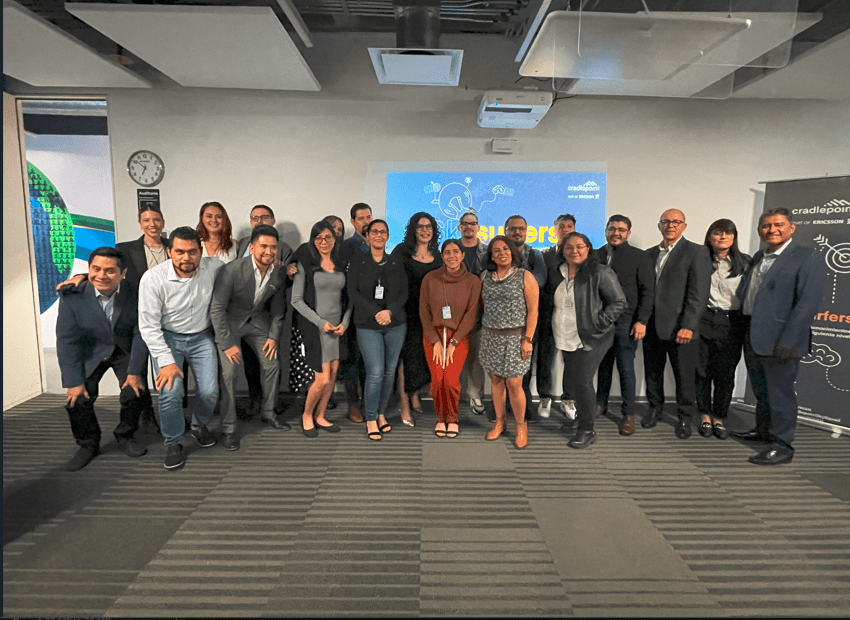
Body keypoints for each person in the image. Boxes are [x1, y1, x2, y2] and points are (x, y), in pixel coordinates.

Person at [734, 208, 827, 465]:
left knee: (780, 394)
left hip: (782, 340)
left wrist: (789, 341)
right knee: (761, 390)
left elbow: (808, 303)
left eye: (778, 224)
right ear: (759, 230)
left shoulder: (806, 256)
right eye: (766, 226)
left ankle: (782, 445)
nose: (772, 230)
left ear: (791, 227)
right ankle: (764, 431)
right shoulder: (759, 256)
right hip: (754, 335)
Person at [138, 227, 225, 470]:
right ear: (169, 252)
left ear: (201, 251)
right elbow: (148, 326)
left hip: (201, 337)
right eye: (179, 252)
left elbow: (240, 274)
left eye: (192, 251)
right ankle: (173, 441)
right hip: (167, 338)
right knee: (171, 392)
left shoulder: (215, 268)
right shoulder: (152, 278)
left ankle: (198, 426)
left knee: (210, 391)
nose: (186, 257)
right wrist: (165, 361)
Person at [56, 247, 150, 471]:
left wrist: (134, 371)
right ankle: (88, 444)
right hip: (91, 352)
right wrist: (73, 382)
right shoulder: (72, 295)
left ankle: (125, 435)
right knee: (77, 399)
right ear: (88, 269)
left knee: (134, 390)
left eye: (109, 271)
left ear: (122, 273)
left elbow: (140, 332)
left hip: (123, 349)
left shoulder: (136, 292)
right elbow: (66, 340)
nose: (101, 275)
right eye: (96, 269)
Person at [540, 233, 627, 448]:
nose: (574, 251)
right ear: (562, 250)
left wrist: (599, 323)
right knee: (574, 380)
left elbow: (618, 302)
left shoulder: (600, 272)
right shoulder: (557, 272)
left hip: (592, 337)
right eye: (569, 247)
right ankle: (581, 419)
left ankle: (588, 429)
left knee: (583, 382)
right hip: (564, 334)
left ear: (588, 248)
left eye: (580, 246)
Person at [209, 225, 290, 451]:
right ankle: (228, 428)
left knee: (272, 364)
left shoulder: (279, 271)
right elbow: (217, 309)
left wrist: (273, 336)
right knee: (230, 373)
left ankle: (269, 412)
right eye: (263, 246)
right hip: (230, 323)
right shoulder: (231, 270)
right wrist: (227, 344)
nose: (268, 251)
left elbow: (278, 309)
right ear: (252, 247)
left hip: (256, 322)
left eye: (273, 247)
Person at [641, 209, 712, 439]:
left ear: (684, 226)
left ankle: (684, 417)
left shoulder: (696, 252)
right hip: (651, 326)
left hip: (681, 328)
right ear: (659, 226)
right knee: (653, 372)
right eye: (665, 221)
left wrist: (688, 325)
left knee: (684, 376)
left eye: (675, 221)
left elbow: (698, 294)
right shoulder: (649, 254)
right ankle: (655, 409)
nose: (670, 225)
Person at [593, 215, 655, 436]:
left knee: (626, 369)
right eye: (612, 229)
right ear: (606, 230)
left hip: (626, 323)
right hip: (600, 322)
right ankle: (600, 404)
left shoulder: (640, 257)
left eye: (621, 230)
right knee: (603, 366)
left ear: (628, 233)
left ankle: (628, 414)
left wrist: (642, 321)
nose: (616, 233)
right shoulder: (595, 255)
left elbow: (648, 292)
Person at [347, 219, 408, 441]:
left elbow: (403, 293)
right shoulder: (358, 261)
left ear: (388, 236)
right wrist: (377, 312)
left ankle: (381, 413)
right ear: (368, 236)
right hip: (368, 324)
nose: (379, 235)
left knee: (390, 371)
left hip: (395, 323)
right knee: (375, 372)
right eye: (375, 232)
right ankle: (371, 418)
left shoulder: (395, 262)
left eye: (383, 232)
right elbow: (353, 292)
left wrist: (389, 311)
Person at [291, 221, 352, 437]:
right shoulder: (304, 265)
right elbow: (296, 301)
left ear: (335, 239)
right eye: (318, 238)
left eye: (328, 237)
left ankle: (321, 415)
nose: (323, 242)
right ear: (313, 241)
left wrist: (345, 323)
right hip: (316, 328)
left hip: (337, 329)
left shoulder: (342, 264)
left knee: (333, 375)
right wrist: (319, 322)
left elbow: (349, 300)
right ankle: (307, 415)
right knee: (322, 378)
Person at [694, 219, 752, 441]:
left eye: (728, 233)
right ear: (710, 237)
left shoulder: (745, 262)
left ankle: (719, 416)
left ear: (734, 237)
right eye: (718, 233)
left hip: (732, 322)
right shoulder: (700, 261)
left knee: (725, 373)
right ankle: (704, 414)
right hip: (703, 320)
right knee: (701, 371)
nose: (723, 237)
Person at [419, 239, 482, 438]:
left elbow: (471, 314)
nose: (451, 256)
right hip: (433, 336)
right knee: (438, 381)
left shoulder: (473, 281)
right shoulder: (430, 278)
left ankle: (452, 419)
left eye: (456, 252)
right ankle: (441, 418)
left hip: (458, 337)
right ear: (442, 256)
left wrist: (454, 342)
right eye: (447, 252)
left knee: (451, 381)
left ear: (463, 255)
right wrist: (435, 340)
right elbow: (424, 311)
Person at [480, 235, 538, 449]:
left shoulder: (525, 276)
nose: (501, 253)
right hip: (490, 336)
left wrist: (528, 339)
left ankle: (521, 426)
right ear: (491, 256)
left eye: (506, 249)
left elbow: (533, 311)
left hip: (516, 338)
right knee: (496, 381)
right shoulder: (485, 276)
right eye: (496, 250)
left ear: (513, 252)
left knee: (514, 384)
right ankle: (500, 422)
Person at [235, 204, 293, 420]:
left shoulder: (283, 248)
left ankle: (272, 402)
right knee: (250, 359)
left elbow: (289, 280)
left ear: (273, 220)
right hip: (245, 314)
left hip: (270, 313)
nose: (259, 221)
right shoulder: (242, 244)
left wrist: (280, 269)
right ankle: (255, 399)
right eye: (254, 218)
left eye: (264, 217)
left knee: (271, 358)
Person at [392, 212, 443, 426]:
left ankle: (414, 395)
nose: (424, 230)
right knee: (406, 359)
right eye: (420, 226)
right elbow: (391, 281)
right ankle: (404, 403)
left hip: (430, 316)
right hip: (406, 313)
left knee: (422, 357)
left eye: (428, 226)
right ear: (413, 230)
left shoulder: (438, 255)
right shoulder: (401, 251)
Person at [503, 215, 547, 425]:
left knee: (524, 366)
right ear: (505, 231)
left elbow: (540, 281)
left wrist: (511, 284)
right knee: (501, 367)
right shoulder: (498, 253)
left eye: (521, 228)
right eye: (513, 229)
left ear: (527, 231)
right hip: (501, 321)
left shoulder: (535, 255)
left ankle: (524, 406)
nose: (517, 232)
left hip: (527, 321)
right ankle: (503, 407)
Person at [538, 213, 577, 418]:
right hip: (548, 314)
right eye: (561, 226)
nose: (565, 230)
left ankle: (569, 399)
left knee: (571, 359)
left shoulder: (582, 255)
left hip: (573, 318)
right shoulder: (544, 256)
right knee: (545, 356)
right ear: (554, 230)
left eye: (569, 226)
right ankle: (544, 397)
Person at [339, 203, 373, 423]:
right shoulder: (347, 246)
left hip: (373, 313)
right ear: (352, 222)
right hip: (351, 312)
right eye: (361, 218)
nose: (366, 222)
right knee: (352, 359)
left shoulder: (377, 244)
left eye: (368, 217)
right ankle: (353, 402)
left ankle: (368, 402)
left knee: (369, 360)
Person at [457, 209, 488, 416]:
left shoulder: (488, 252)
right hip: (455, 314)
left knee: (476, 357)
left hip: (480, 313)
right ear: (460, 227)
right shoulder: (451, 249)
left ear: (478, 227)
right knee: (455, 356)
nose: (469, 227)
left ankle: (475, 394)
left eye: (473, 223)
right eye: (465, 223)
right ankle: (455, 395)